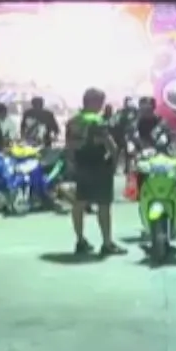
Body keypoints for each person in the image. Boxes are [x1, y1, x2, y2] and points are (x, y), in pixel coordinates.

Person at [66, 88, 126, 256]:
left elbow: (69, 147)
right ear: (94, 102)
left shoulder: (73, 121)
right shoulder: (97, 121)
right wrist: (114, 163)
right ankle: (107, 243)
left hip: (81, 165)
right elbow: (111, 146)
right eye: (100, 102)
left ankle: (80, 241)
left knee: (79, 203)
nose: (101, 106)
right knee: (103, 205)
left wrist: (72, 164)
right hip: (99, 166)